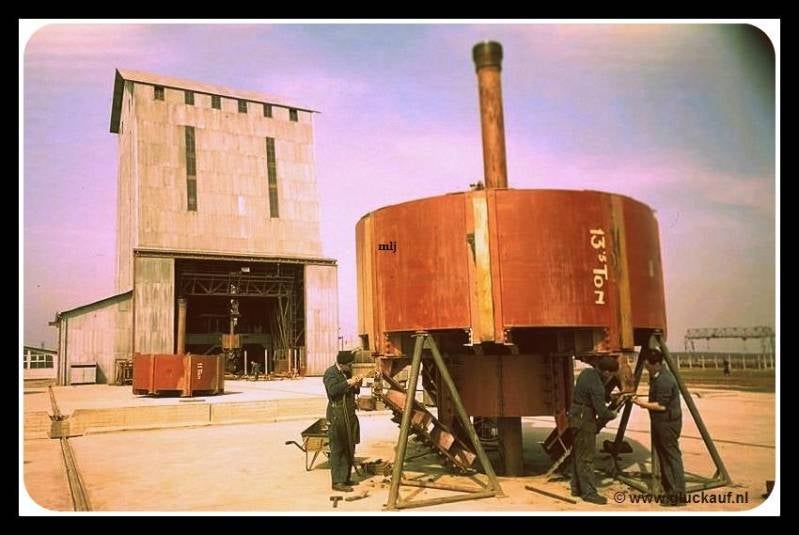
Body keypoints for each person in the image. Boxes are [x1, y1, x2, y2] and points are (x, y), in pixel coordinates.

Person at [633, 347, 687, 506]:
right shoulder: (658, 375)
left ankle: (678, 494)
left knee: (671, 458)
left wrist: (641, 404)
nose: (645, 367)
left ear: (653, 363)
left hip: (667, 424)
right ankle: (671, 490)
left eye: (647, 365)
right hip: (661, 423)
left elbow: (661, 406)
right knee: (665, 457)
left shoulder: (664, 380)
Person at [567, 356, 620, 505]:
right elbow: (602, 412)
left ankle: (576, 488)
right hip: (585, 420)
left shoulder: (587, 373)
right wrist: (613, 414)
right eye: (611, 374)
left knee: (578, 454)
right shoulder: (597, 385)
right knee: (587, 458)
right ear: (607, 372)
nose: (611, 378)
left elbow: (590, 393)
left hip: (576, 417)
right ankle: (589, 492)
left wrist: (606, 396)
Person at [323, 350, 362, 492]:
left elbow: (354, 392)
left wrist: (357, 384)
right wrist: (348, 382)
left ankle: (345, 478)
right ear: (342, 364)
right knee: (338, 448)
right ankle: (337, 482)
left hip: (349, 415)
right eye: (350, 364)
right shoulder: (330, 373)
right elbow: (333, 390)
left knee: (349, 447)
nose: (351, 367)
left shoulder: (347, 372)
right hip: (337, 415)